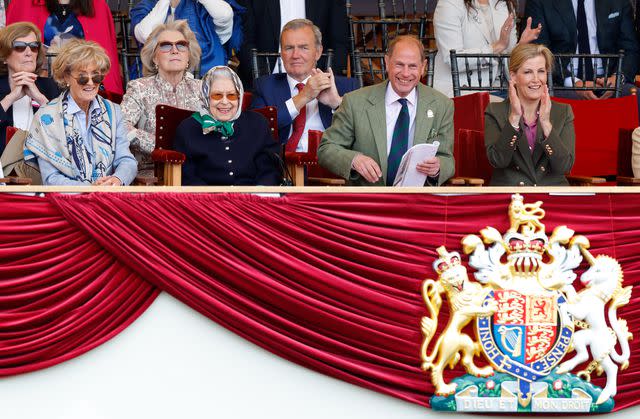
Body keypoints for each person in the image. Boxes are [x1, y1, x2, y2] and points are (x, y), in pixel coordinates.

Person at [318, 35, 455, 186]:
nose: (405, 73)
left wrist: (437, 167)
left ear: (423, 67)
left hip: (417, 201)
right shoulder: (355, 102)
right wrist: (354, 160)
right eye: (399, 65)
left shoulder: (442, 105)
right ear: (387, 62)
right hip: (369, 201)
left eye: (413, 66)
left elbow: (447, 159)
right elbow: (327, 149)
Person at [24, 39, 137, 186]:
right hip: (67, 201)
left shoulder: (113, 112)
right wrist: (90, 189)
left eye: (96, 76)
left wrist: (116, 180)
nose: (90, 83)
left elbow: (126, 160)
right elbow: (51, 178)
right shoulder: (47, 116)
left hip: (109, 196)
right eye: (83, 77)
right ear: (66, 77)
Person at [250, 18, 358, 152]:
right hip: (283, 167)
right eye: (289, 48)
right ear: (281, 54)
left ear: (318, 52)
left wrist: (336, 104)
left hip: (329, 166)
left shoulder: (347, 87)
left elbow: (364, 133)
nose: (295, 55)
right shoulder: (265, 86)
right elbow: (255, 130)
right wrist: (304, 96)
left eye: (303, 47)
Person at [484, 43, 575, 186]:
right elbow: (498, 161)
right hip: (512, 197)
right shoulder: (495, 111)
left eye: (541, 71)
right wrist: (514, 118)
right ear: (513, 76)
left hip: (551, 195)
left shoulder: (563, 112)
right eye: (527, 72)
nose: (536, 79)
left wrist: (546, 123)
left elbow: (564, 166)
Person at [174, 66, 281, 185]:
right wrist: (210, 199)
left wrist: (261, 193)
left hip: (253, 198)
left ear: (239, 97)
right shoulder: (188, 128)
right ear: (205, 97)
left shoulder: (258, 124)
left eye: (231, 95)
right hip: (207, 200)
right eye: (217, 95)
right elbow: (187, 175)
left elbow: (268, 168)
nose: (225, 102)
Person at [121, 20, 202, 176]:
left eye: (181, 45)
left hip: (197, 172)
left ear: (188, 57)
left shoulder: (202, 89)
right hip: (152, 174)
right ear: (155, 58)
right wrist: (161, 146)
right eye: (165, 45)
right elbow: (122, 126)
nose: (174, 50)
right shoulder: (139, 88)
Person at [525, 0, 639, 100]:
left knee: (636, 97)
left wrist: (617, 78)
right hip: (563, 83)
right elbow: (538, 52)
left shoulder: (619, 1)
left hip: (609, 80)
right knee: (543, 99)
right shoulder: (539, 2)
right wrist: (574, 83)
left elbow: (630, 49)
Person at [6, 0, 124, 95]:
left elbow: (106, 59)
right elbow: (10, 51)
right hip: (35, 87)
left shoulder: (98, 5)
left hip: (84, 85)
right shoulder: (22, 3)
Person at [432, 0, 542, 98]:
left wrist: (520, 46)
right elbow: (453, 59)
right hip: (463, 90)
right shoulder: (448, 4)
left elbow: (508, 64)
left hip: (502, 89)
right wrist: (496, 47)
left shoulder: (504, 4)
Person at [237, 0, 349, 87]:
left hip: (318, 79)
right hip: (265, 78)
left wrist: (327, 79)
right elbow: (244, 40)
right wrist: (262, 80)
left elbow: (339, 42)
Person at [130, 0, 244, 77]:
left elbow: (224, 15)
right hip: (160, 75)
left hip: (206, 72)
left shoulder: (203, 7)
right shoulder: (148, 5)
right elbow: (145, 34)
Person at [0, 22, 60, 156]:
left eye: (34, 47)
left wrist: (40, 98)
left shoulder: (51, 87)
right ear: (4, 56)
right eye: (20, 47)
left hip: (43, 168)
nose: (29, 52)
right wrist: (10, 98)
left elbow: (65, 130)